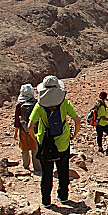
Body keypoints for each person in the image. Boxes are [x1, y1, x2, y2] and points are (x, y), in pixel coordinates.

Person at [30, 75, 80, 207]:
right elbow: (77, 120)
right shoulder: (64, 103)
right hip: (63, 143)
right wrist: (73, 135)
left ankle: (46, 201)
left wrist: (35, 138)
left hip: (45, 143)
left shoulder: (40, 106)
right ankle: (63, 196)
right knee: (63, 170)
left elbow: (30, 126)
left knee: (46, 173)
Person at [14, 83, 40, 172]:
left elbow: (17, 121)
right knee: (35, 148)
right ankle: (37, 167)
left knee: (24, 149)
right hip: (34, 129)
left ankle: (26, 166)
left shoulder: (19, 105)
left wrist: (15, 133)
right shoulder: (36, 103)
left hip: (23, 129)